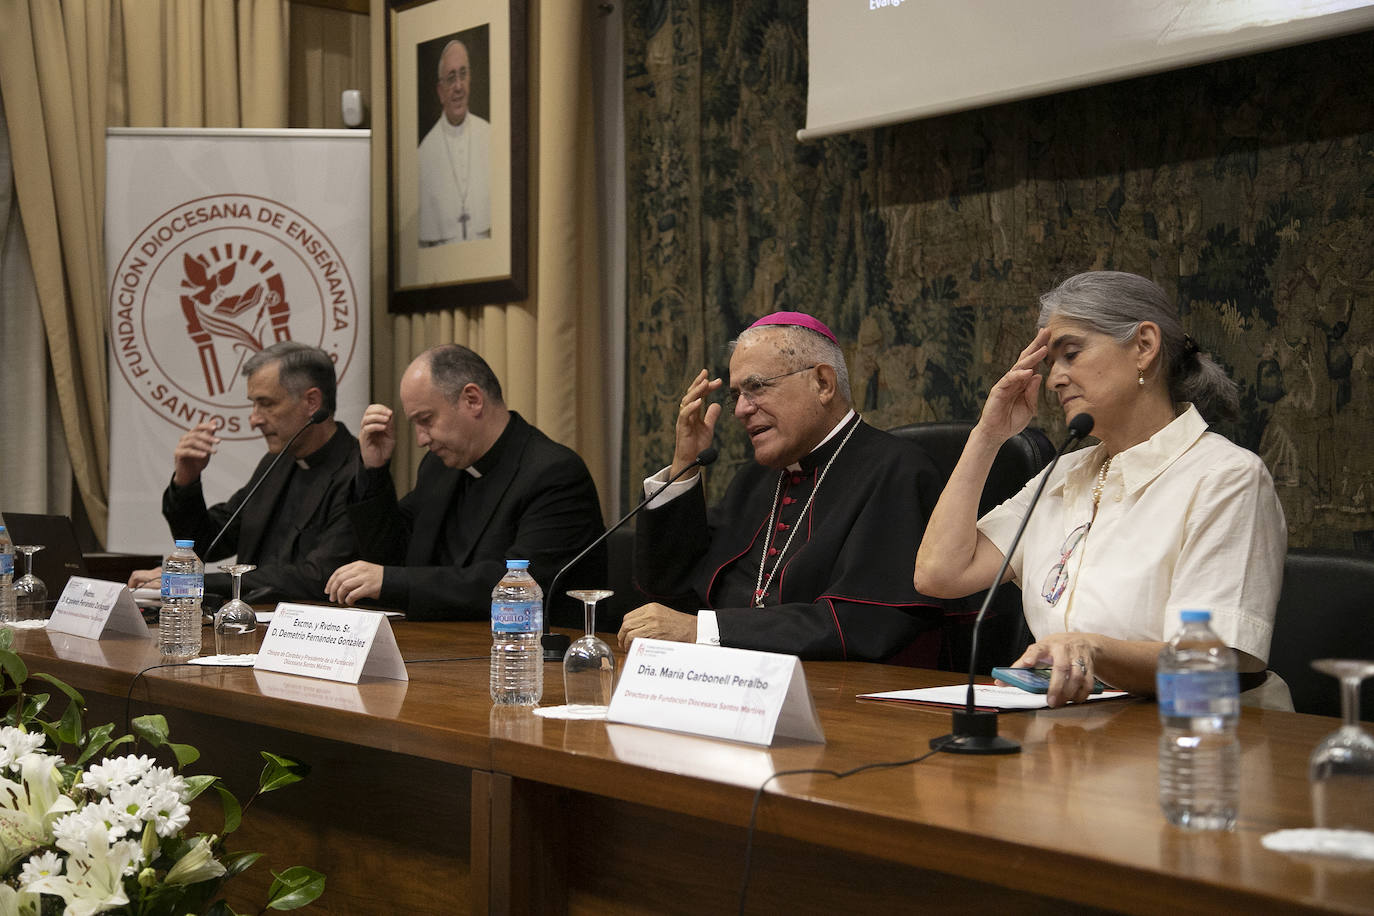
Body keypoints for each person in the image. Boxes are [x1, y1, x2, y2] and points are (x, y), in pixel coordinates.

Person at [913, 271, 1290, 709]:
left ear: (1144, 347)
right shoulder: (1064, 473)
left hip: (1201, 737)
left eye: (1070, 354)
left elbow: (1218, 656)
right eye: (1051, 362)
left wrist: (1094, 649)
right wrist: (987, 436)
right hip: (1077, 732)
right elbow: (939, 574)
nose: (1054, 378)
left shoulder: (1225, 476)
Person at [618, 312, 945, 661]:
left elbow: (864, 622)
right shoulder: (754, 481)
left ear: (823, 383)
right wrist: (684, 462)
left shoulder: (897, 470)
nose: (741, 410)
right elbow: (672, 590)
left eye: (756, 387)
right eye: (736, 395)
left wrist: (704, 630)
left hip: (841, 698)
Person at [325, 344, 605, 621]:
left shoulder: (554, 473)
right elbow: (390, 558)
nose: (421, 439)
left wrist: (393, 581)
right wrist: (373, 470)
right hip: (440, 641)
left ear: (472, 399)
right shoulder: (439, 467)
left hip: (525, 651)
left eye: (426, 420)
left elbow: (518, 587)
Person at [128, 341, 363, 602]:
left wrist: (192, 583)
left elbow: (317, 577)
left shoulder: (357, 473)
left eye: (266, 403)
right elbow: (208, 541)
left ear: (311, 402)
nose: (254, 419)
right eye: (253, 404)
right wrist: (187, 481)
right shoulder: (277, 462)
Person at [417, 38, 492, 246]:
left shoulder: (490, 136)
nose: (458, 86)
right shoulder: (424, 154)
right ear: (440, 92)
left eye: (463, 74)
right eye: (451, 78)